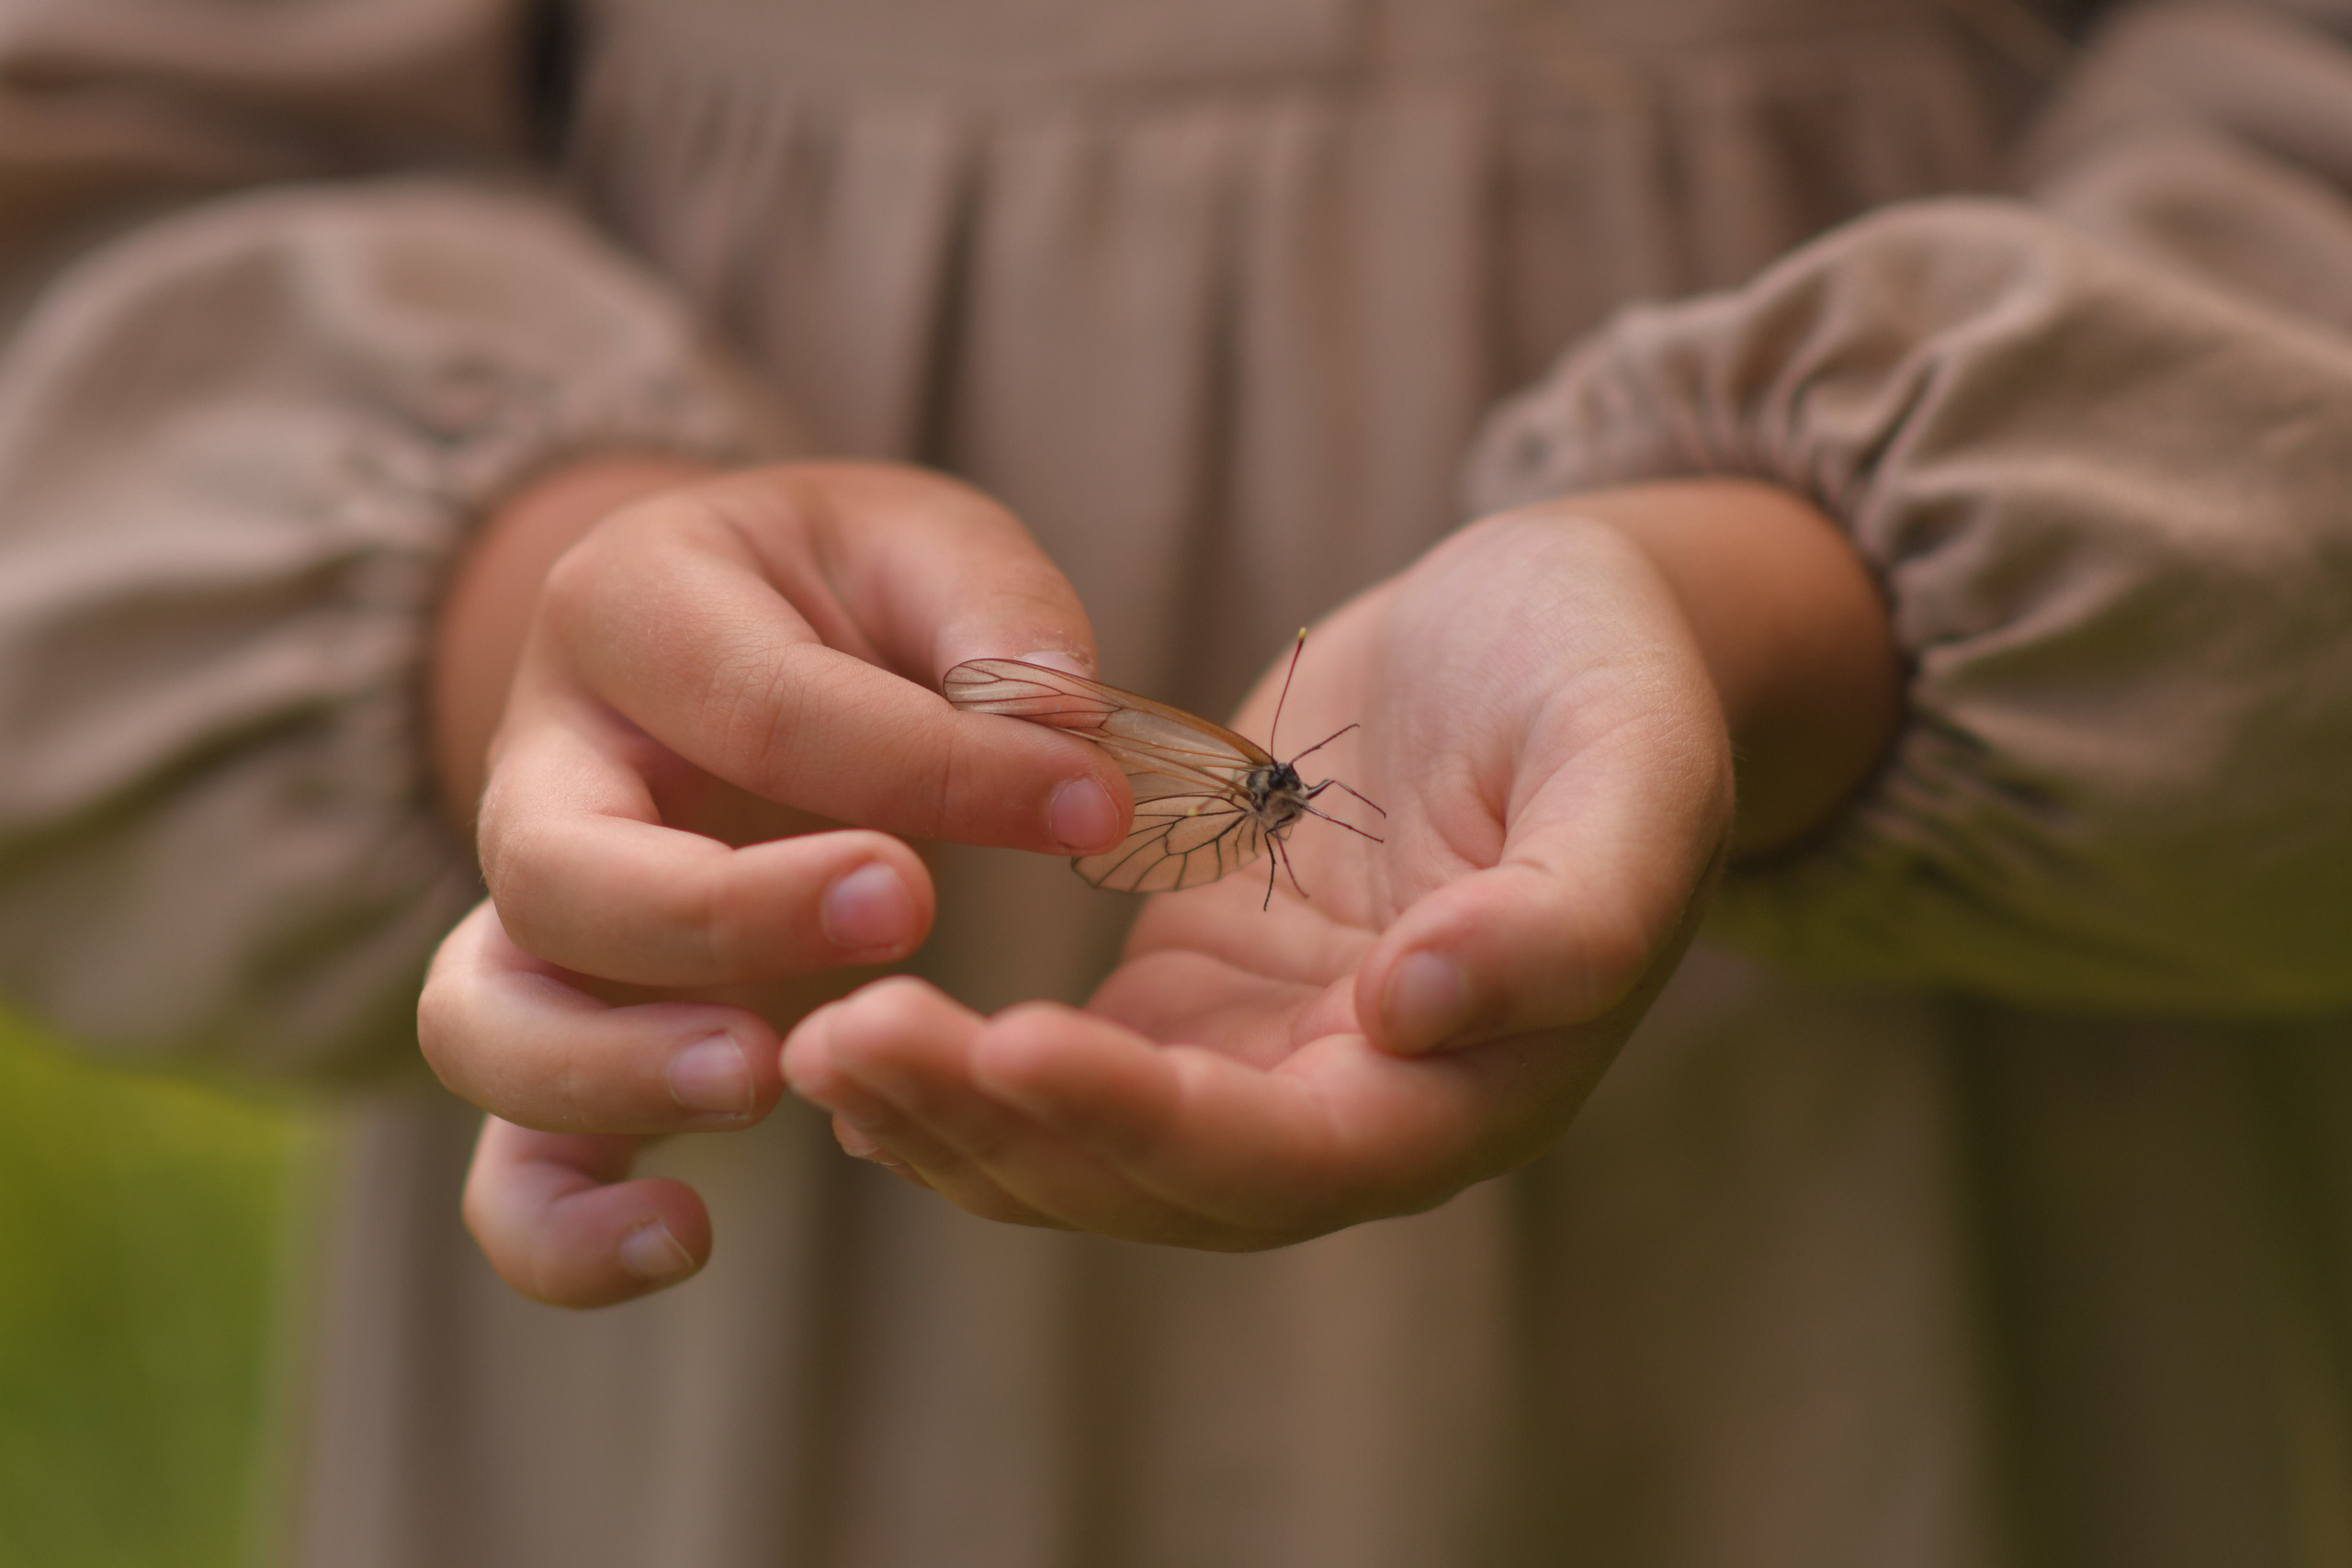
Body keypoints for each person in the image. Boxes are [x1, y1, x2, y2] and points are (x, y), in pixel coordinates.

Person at [3, 0, 2351, 1562]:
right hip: (807, 1282)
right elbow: (125, 159)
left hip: (1938, 1131)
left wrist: (1773, 610)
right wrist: (570, 622)